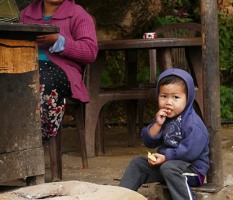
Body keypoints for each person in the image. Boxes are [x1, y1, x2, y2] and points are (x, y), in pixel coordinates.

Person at [119, 68, 210, 200]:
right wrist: (157, 125)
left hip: (192, 170)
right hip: (166, 167)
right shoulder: (164, 118)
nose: (168, 102)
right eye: (163, 96)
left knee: (169, 167)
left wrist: (166, 157)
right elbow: (149, 142)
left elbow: (190, 151)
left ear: (188, 98)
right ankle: (120, 196)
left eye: (176, 97)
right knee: (137, 163)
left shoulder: (193, 124)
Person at [19, 0, 98, 140]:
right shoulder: (26, 14)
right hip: (26, 65)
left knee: (41, 79)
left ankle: (35, 138)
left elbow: (90, 51)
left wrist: (59, 42)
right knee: (10, 80)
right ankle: (12, 135)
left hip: (62, 72)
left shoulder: (77, 14)